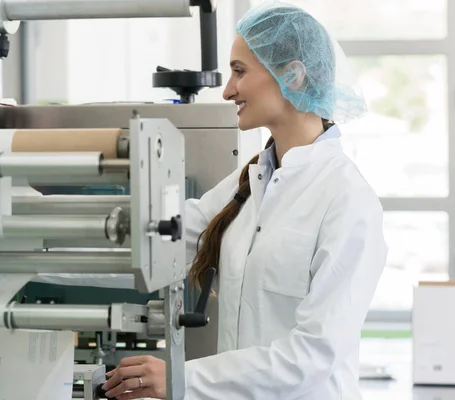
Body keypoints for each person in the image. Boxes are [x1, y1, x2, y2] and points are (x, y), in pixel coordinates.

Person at [102, 1, 387, 399]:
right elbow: (153, 245)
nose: (227, 89)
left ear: (294, 75)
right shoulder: (249, 183)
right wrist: (28, 240)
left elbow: (314, 354)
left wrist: (183, 379)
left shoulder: (347, 201)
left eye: (239, 71)